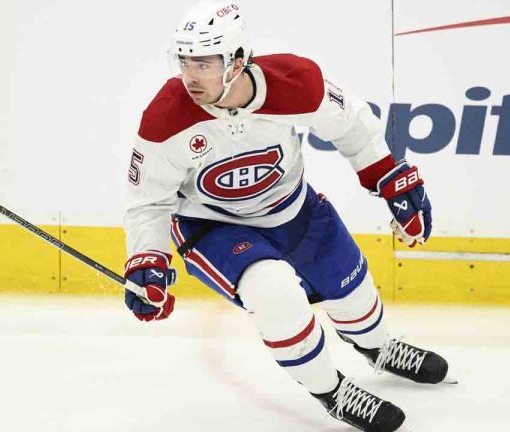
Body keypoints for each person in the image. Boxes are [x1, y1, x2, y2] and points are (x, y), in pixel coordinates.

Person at [121, 2, 452, 431]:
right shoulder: (166, 117)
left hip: (293, 208)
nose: (190, 75)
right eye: (184, 61)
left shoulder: (294, 83)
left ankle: (379, 348)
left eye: (203, 62)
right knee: (274, 291)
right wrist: (148, 259)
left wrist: (391, 178)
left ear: (237, 61)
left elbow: (351, 125)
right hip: (212, 227)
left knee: (350, 287)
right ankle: (331, 390)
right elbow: (148, 200)